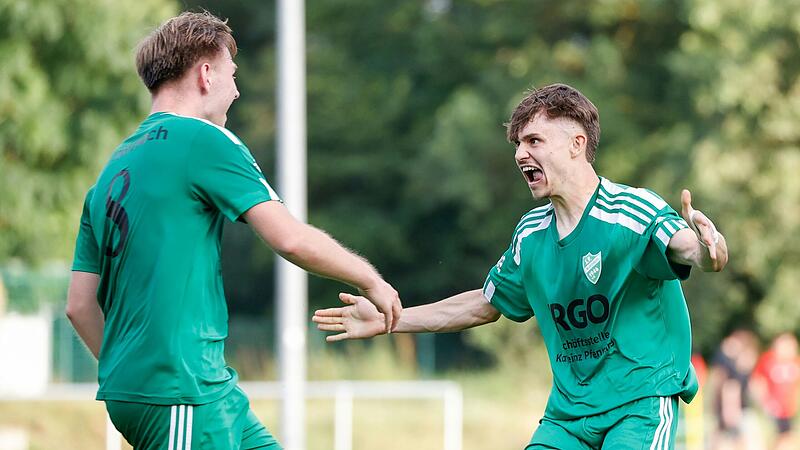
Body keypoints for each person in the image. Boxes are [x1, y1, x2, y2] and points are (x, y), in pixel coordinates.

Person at [313, 83, 728, 449]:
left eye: (533, 141)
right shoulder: (531, 235)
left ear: (576, 144)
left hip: (639, 405)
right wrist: (391, 318)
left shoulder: (628, 211)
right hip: (569, 418)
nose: (520, 154)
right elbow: (483, 304)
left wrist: (708, 249)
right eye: (517, 144)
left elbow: (683, 246)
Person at [65, 11, 402, 450]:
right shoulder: (202, 139)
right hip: (180, 390)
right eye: (232, 73)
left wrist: (128, 373)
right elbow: (290, 238)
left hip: (193, 388)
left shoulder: (111, 170)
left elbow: (79, 305)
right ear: (206, 74)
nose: (237, 89)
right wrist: (370, 278)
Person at [709, 329, 760, 450]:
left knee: (727, 437)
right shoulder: (734, 370)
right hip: (733, 409)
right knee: (733, 439)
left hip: (731, 408)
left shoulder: (733, 369)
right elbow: (731, 389)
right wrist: (730, 409)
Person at [750, 333, 800, 450]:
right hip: (772, 410)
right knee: (773, 440)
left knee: (787, 439)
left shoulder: (796, 362)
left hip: (788, 410)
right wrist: (765, 402)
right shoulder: (767, 360)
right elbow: (757, 383)